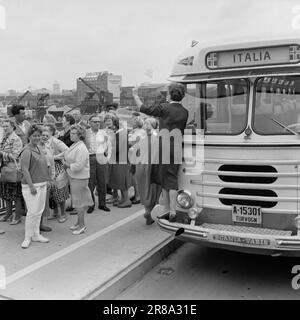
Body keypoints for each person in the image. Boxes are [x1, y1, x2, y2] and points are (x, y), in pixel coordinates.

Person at [132, 83, 188, 221]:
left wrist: (135, 94)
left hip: (164, 146)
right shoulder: (185, 111)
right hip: (177, 147)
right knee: (172, 177)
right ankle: (171, 208)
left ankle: (168, 208)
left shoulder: (164, 108)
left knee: (164, 178)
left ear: (169, 94)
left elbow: (143, 108)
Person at [20, 124, 52, 249]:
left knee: (38, 212)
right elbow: (25, 170)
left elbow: (45, 165)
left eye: (39, 135)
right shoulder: (26, 151)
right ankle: (27, 237)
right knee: (32, 212)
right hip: (32, 186)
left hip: (42, 184)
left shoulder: (39, 148)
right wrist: (31, 186)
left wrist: (47, 180)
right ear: (29, 137)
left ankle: (36, 235)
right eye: (34, 136)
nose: (37, 138)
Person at [129, 117, 161, 225]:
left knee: (144, 188)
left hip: (140, 165)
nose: (145, 125)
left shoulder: (140, 137)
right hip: (151, 166)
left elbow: (132, 150)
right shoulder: (157, 137)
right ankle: (148, 211)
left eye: (147, 123)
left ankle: (147, 212)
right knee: (152, 189)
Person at [63, 125, 93, 235]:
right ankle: (78, 223)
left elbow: (79, 166)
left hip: (79, 178)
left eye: (74, 134)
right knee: (77, 201)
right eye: (71, 133)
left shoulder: (81, 148)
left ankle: (82, 225)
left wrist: (67, 165)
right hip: (75, 177)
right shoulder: (76, 145)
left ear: (80, 135)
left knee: (79, 203)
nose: (71, 135)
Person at [86, 115, 111, 213]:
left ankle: (102, 204)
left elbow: (109, 146)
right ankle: (91, 204)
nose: (97, 123)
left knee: (102, 182)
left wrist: (107, 158)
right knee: (90, 183)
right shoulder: (85, 133)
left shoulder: (104, 133)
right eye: (95, 122)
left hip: (101, 157)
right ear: (90, 123)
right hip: (90, 157)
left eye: (98, 122)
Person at [105, 114, 132, 208]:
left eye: (109, 121)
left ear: (114, 123)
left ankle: (127, 200)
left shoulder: (120, 133)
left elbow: (117, 148)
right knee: (120, 181)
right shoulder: (119, 132)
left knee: (122, 181)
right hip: (120, 159)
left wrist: (108, 150)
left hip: (121, 160)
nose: (107, 123)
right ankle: (123, 199)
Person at [0, 119, 24, 224]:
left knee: (16, 195)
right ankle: (8, 213)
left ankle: (17, 216)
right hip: (5, 169)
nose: (5, 128)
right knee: (6, 194)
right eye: (3, 126)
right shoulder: (4, 138)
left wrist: (2, 153)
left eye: (7, 126)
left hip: (13, 169)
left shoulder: (16, 139)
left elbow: (15, 155)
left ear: (12, 127)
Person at [45, 123, 69, 223]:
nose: (44, 132)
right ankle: (55, 212)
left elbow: (67, 150)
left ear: (51, 131)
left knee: (59, 190)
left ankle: (63, 214)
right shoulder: (43, 141)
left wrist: (55, 157)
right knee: (51, 191)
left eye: (46, 130)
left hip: (57, 167)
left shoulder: (56, 141)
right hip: (48, 167)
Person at [39, 127, 55, 232]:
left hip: (47, 180)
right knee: (37, 205)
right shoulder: (35, 148)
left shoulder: (48, 148)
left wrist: (52, 178)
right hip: (38, 179)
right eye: (43, 135)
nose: (44, 137)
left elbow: (52, 164)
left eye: (47, 136)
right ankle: (35, 227)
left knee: (44, 204)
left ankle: (40, 224)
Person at [128, 116, 145, 205]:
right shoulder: (141, 132)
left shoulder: (138, 133)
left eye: (133, 122)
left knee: (135, 177)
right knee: (136, 177)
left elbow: (131, 143)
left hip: (136, 157)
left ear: (137, 123)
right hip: (137, 157)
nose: (131, 123)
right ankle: (138, 194)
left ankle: (138, 196)